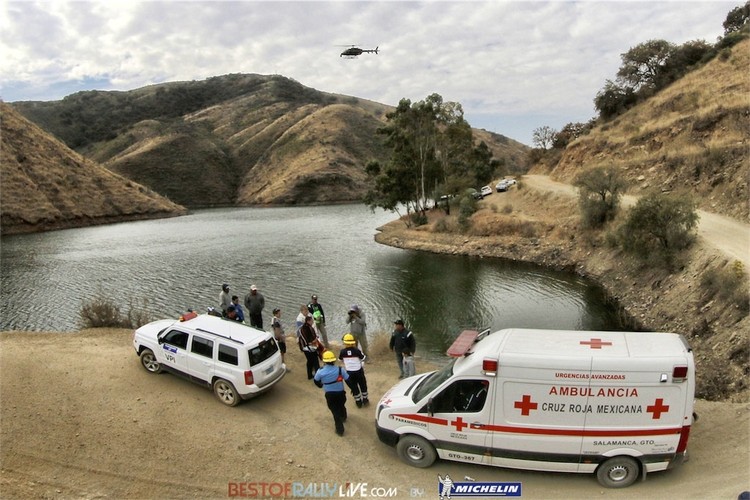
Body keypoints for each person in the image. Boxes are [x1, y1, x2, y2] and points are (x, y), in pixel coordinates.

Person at [314, 350, 349, 436]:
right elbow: (348, 380)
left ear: (324, 361)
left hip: (330, 395)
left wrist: (320, 385)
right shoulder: (340, 370)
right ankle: (344, 417)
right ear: (334, 360)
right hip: (341, 393)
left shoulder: (320, 371)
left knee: (334, 410)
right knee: (341, 405)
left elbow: (316, 380)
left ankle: (340, 430)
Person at [339, 333, 369, 408]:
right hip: (358, 371)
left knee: (354, 387)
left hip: (349, 372)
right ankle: (365, 399)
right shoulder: (357, 351)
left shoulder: (342, 352)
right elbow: (363, 358)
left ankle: (358, 401)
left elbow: (340, 360)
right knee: (363, 385)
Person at [298, 313, 321, 379]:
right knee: (315, 362)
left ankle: (310, 375)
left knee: (310, 362)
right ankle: (318, 377)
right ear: (308, 321)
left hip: (306, 348)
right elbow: (306, 339)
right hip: (309, 348)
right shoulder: (305, 328)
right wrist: (314, 341)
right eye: (311, 320)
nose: (312, 322)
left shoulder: (305, 327)